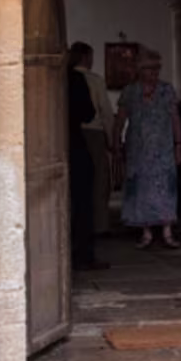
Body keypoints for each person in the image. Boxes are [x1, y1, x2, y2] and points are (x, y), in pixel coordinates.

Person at [114, 48, 181, 248]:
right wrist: (116, 142)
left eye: (157, 68)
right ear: (139, 70)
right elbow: (120, 119)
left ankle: (167, 231)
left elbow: (175, 118)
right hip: (138, 149)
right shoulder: (130, 91)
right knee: (141, 187)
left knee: (164, 187)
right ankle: (146, 232)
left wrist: (179, 145)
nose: (154, 73)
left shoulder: (166, 90)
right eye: (149, 68)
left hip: (163, 149)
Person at [69, 41, 114, 235]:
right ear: (86, 57)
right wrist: (111, 139)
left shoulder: (64, 78)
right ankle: (100, 225)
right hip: (93, 132)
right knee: (99, 180)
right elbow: (105, 111)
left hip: (71, 133)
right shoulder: (94, 80)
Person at [67, 53, 106, 270]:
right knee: (83, 199)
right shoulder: (76, 80)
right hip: (76, 141)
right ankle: (83, 253)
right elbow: (88, 113)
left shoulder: (63, 78)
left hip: (54, 140)